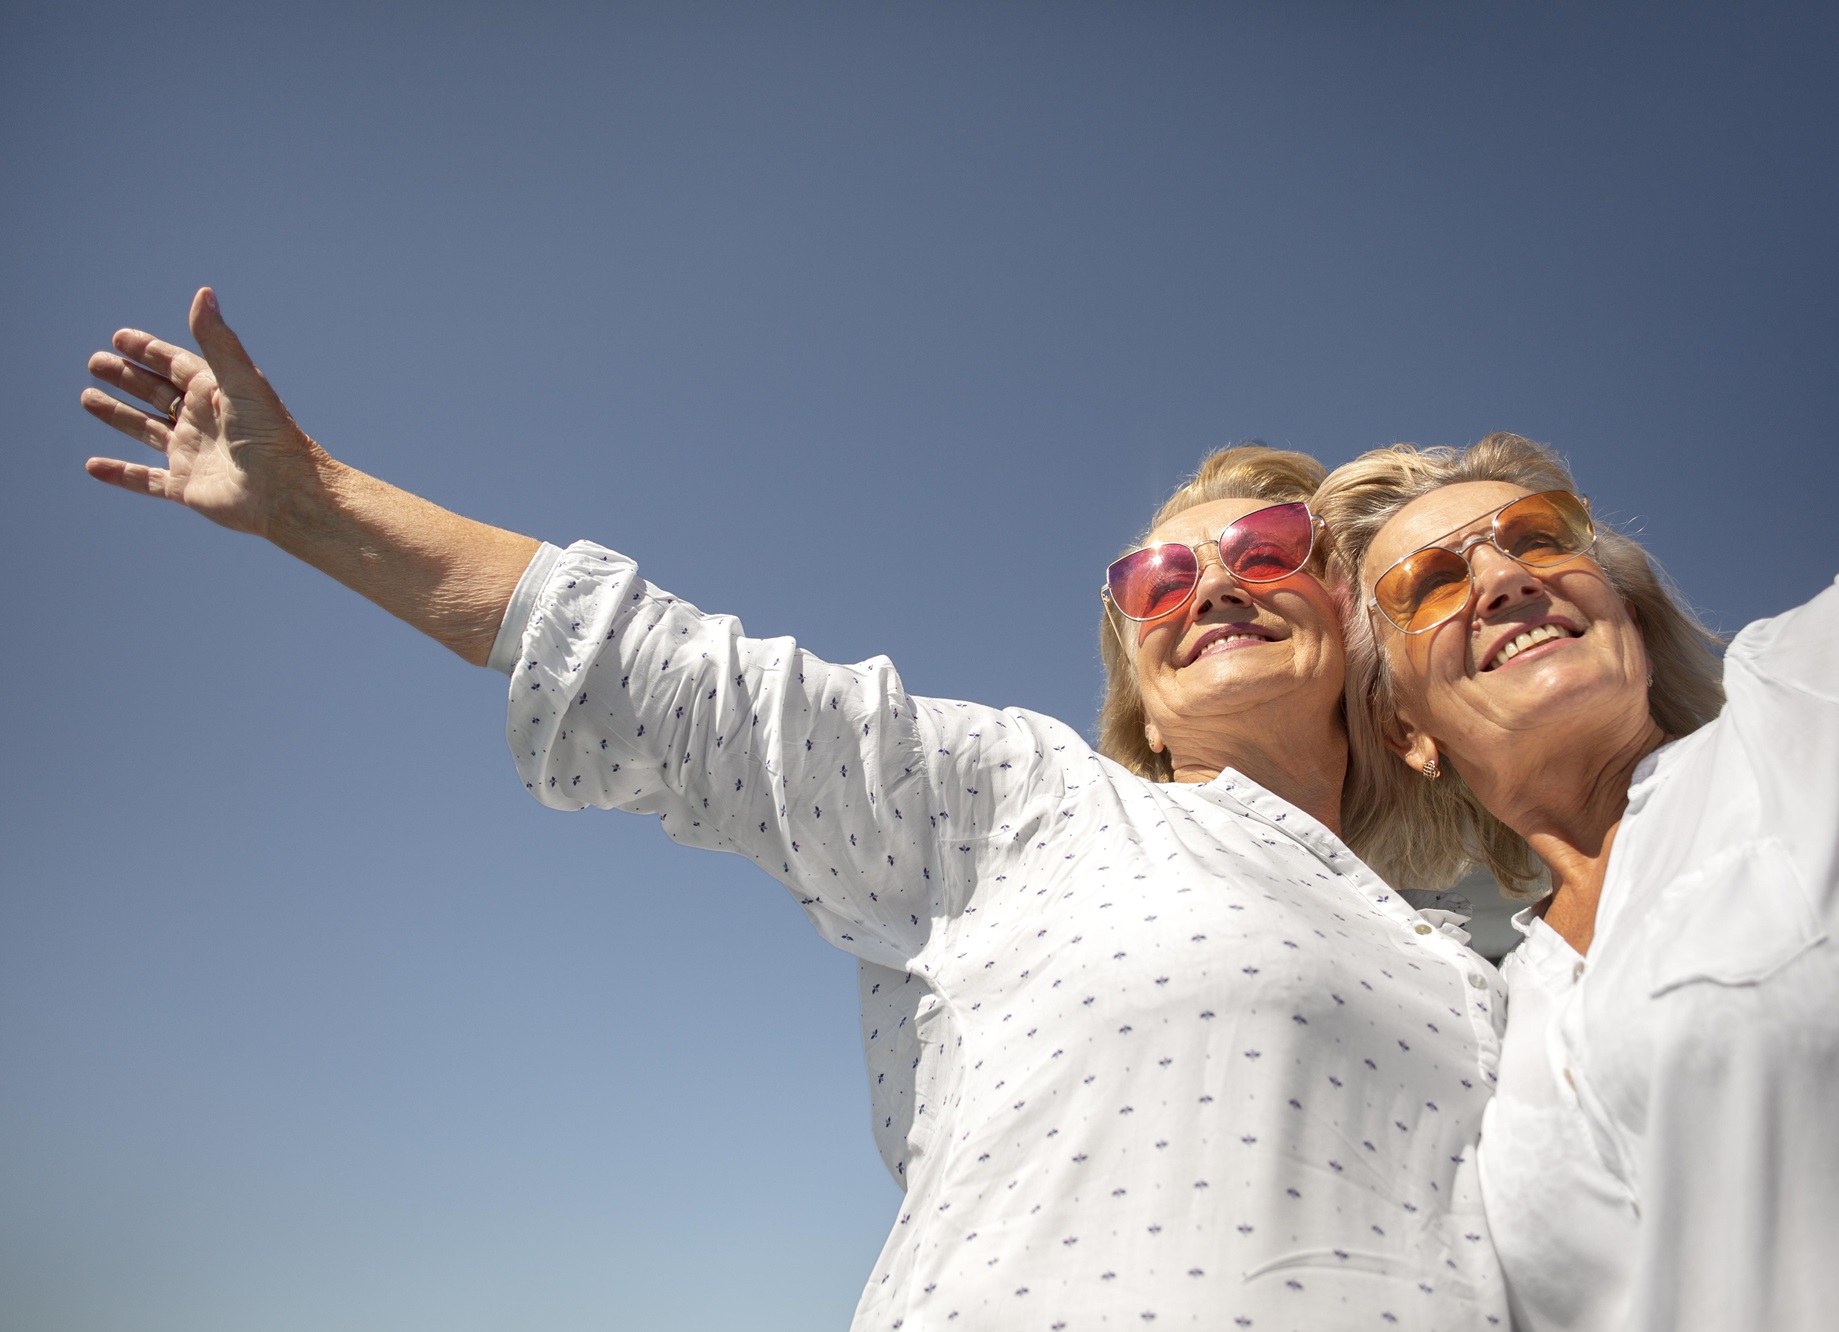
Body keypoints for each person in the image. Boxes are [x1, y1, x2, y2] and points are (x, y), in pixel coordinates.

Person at [79, 289, 1512, 1331]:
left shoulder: (1484, 978)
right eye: (1153, 578)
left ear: (1346, 622)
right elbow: (675, 684)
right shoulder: (1028, 805)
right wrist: (315, 500)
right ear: (1133, 678)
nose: (1205, 584)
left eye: (1262, 551)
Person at [1311, 428, 1839, 1331]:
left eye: (1538, 536)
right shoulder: (1492, 1010)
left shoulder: (1823, 702)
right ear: (1405, 730)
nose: (1504, 580)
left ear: (1624, 611)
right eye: (1432, 583)